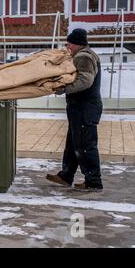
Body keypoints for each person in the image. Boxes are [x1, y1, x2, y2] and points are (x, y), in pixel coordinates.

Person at [46, 28, 103, 191]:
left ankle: (93, 182)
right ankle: (66, 176)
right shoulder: (81, 55)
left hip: (85, 107)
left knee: (85, 145)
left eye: (69, 42)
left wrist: (65, 88)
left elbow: (85, 80)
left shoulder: (84, 56)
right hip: (80, 107)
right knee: (73, 144)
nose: (67, 45)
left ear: (77, 44)